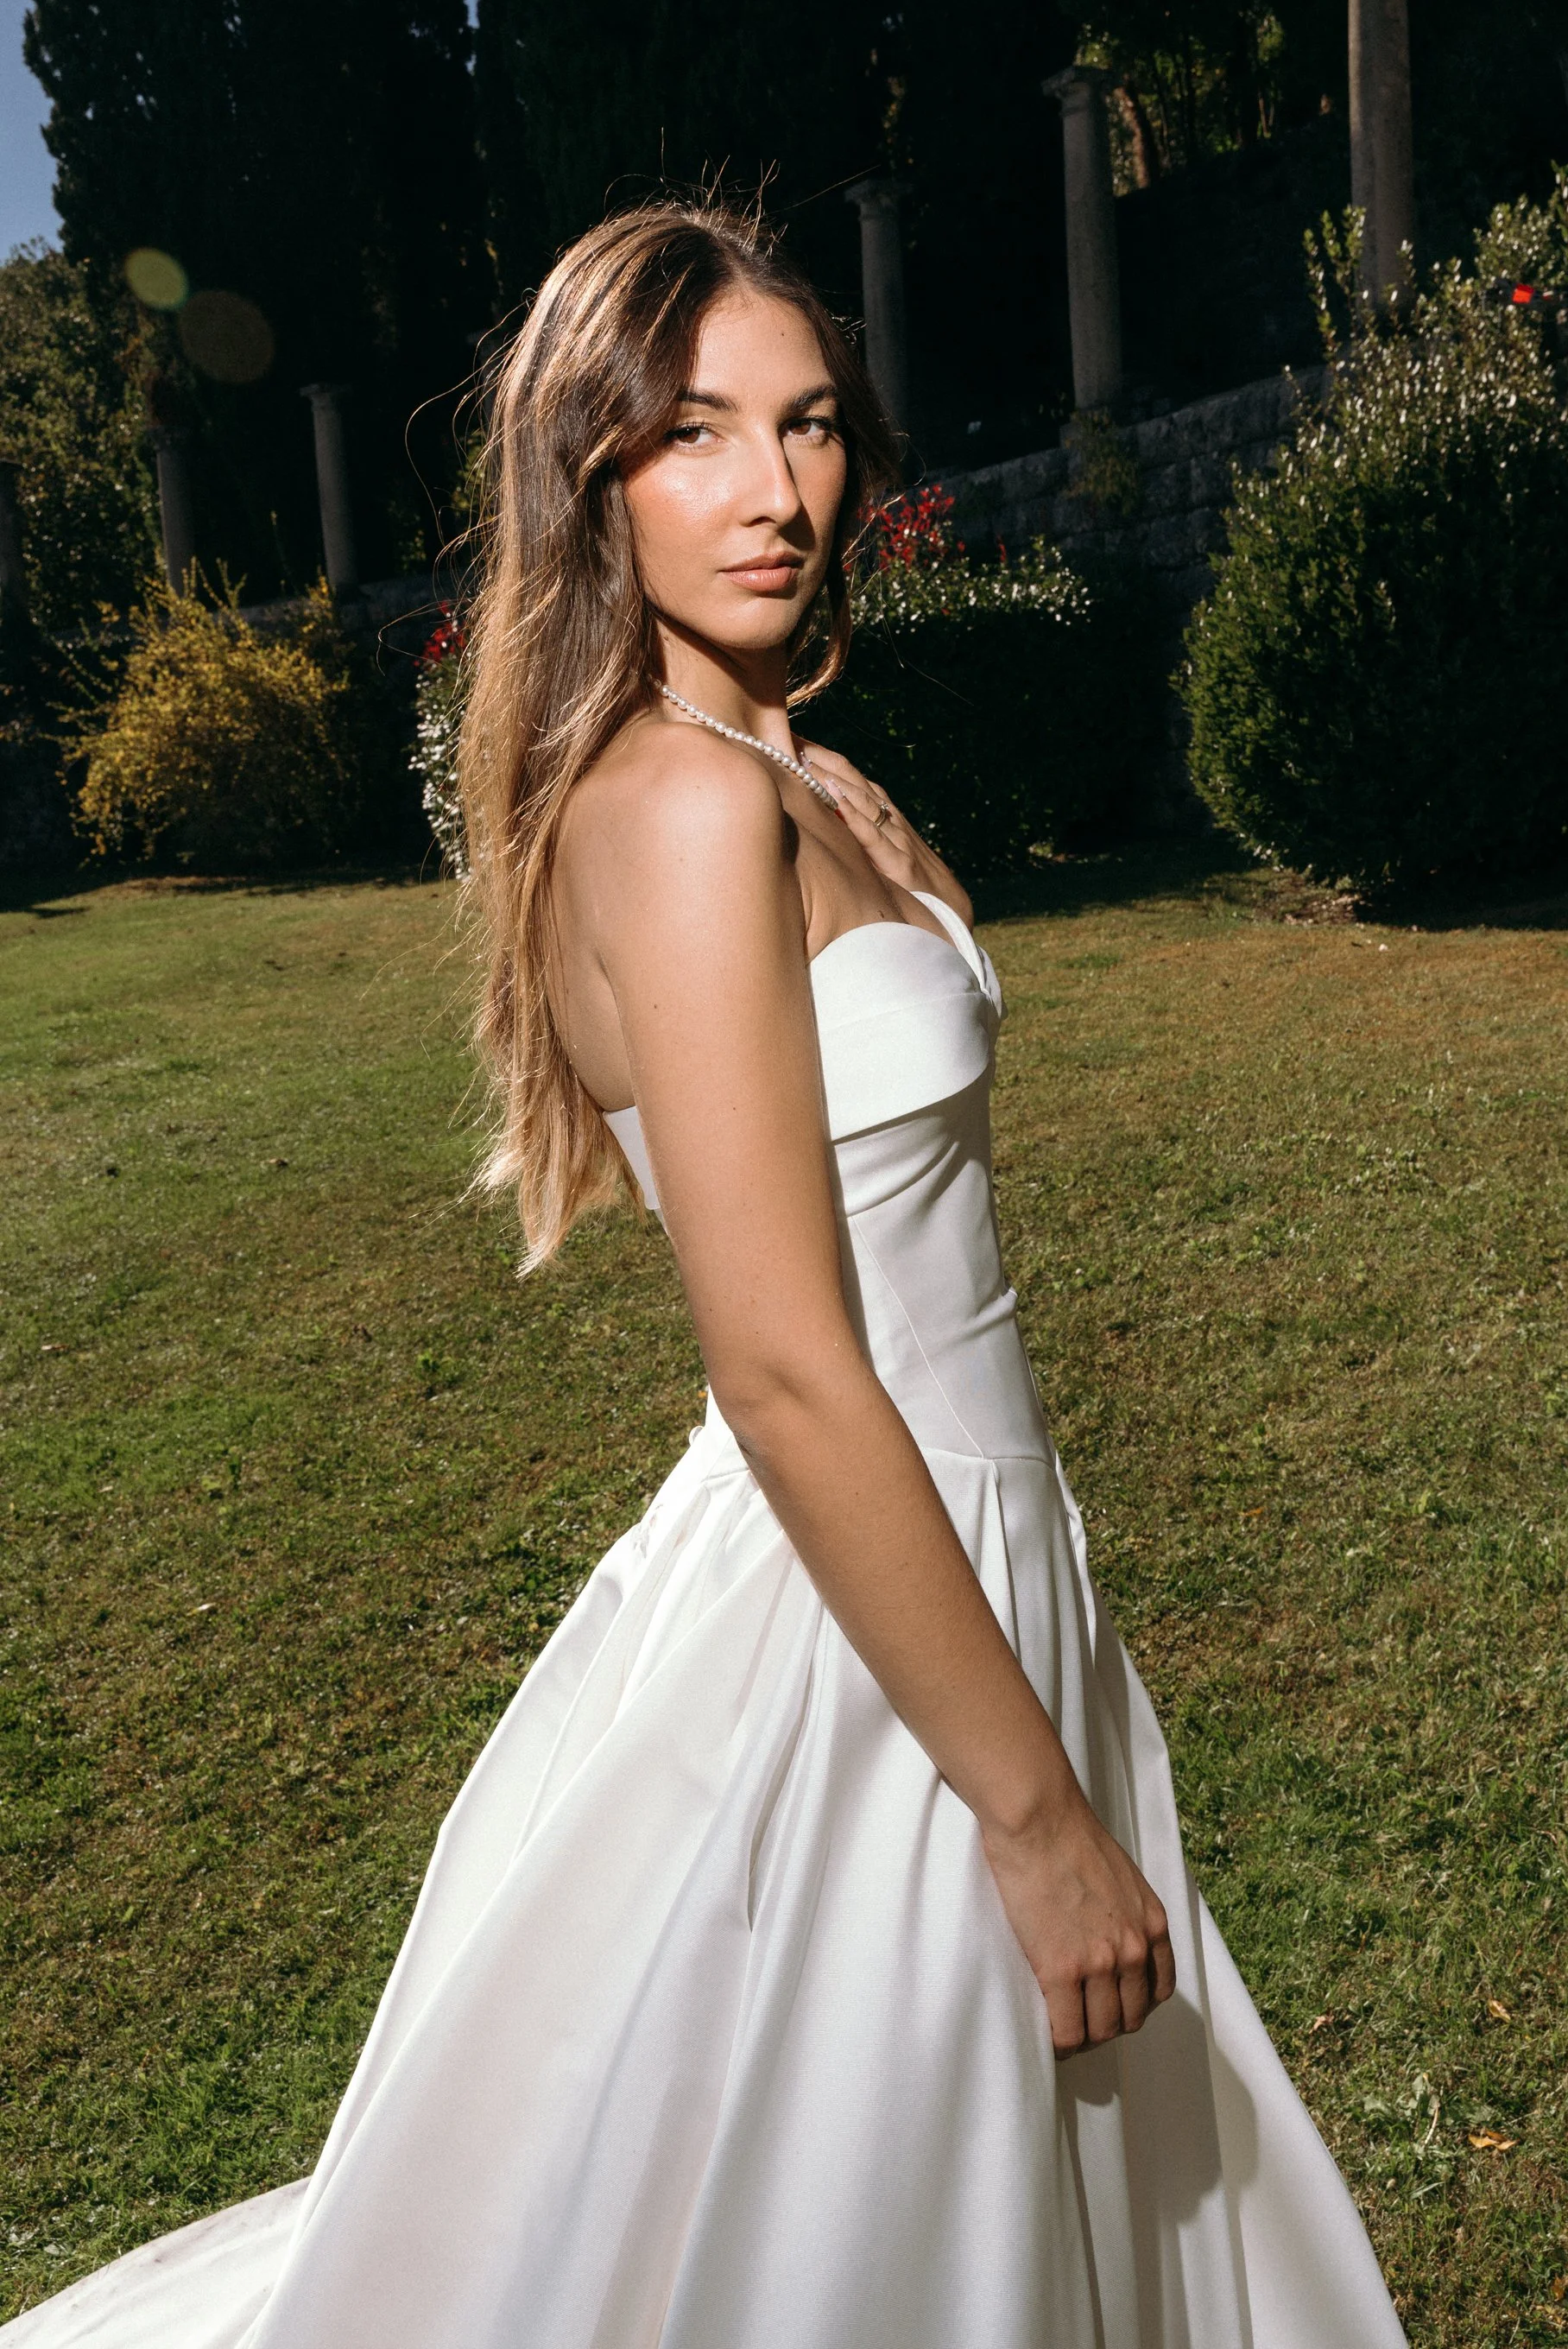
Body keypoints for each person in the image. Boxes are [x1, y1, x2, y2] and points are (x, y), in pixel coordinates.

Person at [3, 206, 1406, 2349]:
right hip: (863, 1603)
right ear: (591, 477)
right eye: (696, 437)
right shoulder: (670, 810)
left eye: (812, 425)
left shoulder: (794, 763)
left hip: (974, 1544)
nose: (776, 491)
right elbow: (778, 1365)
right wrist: (1028, 1816)